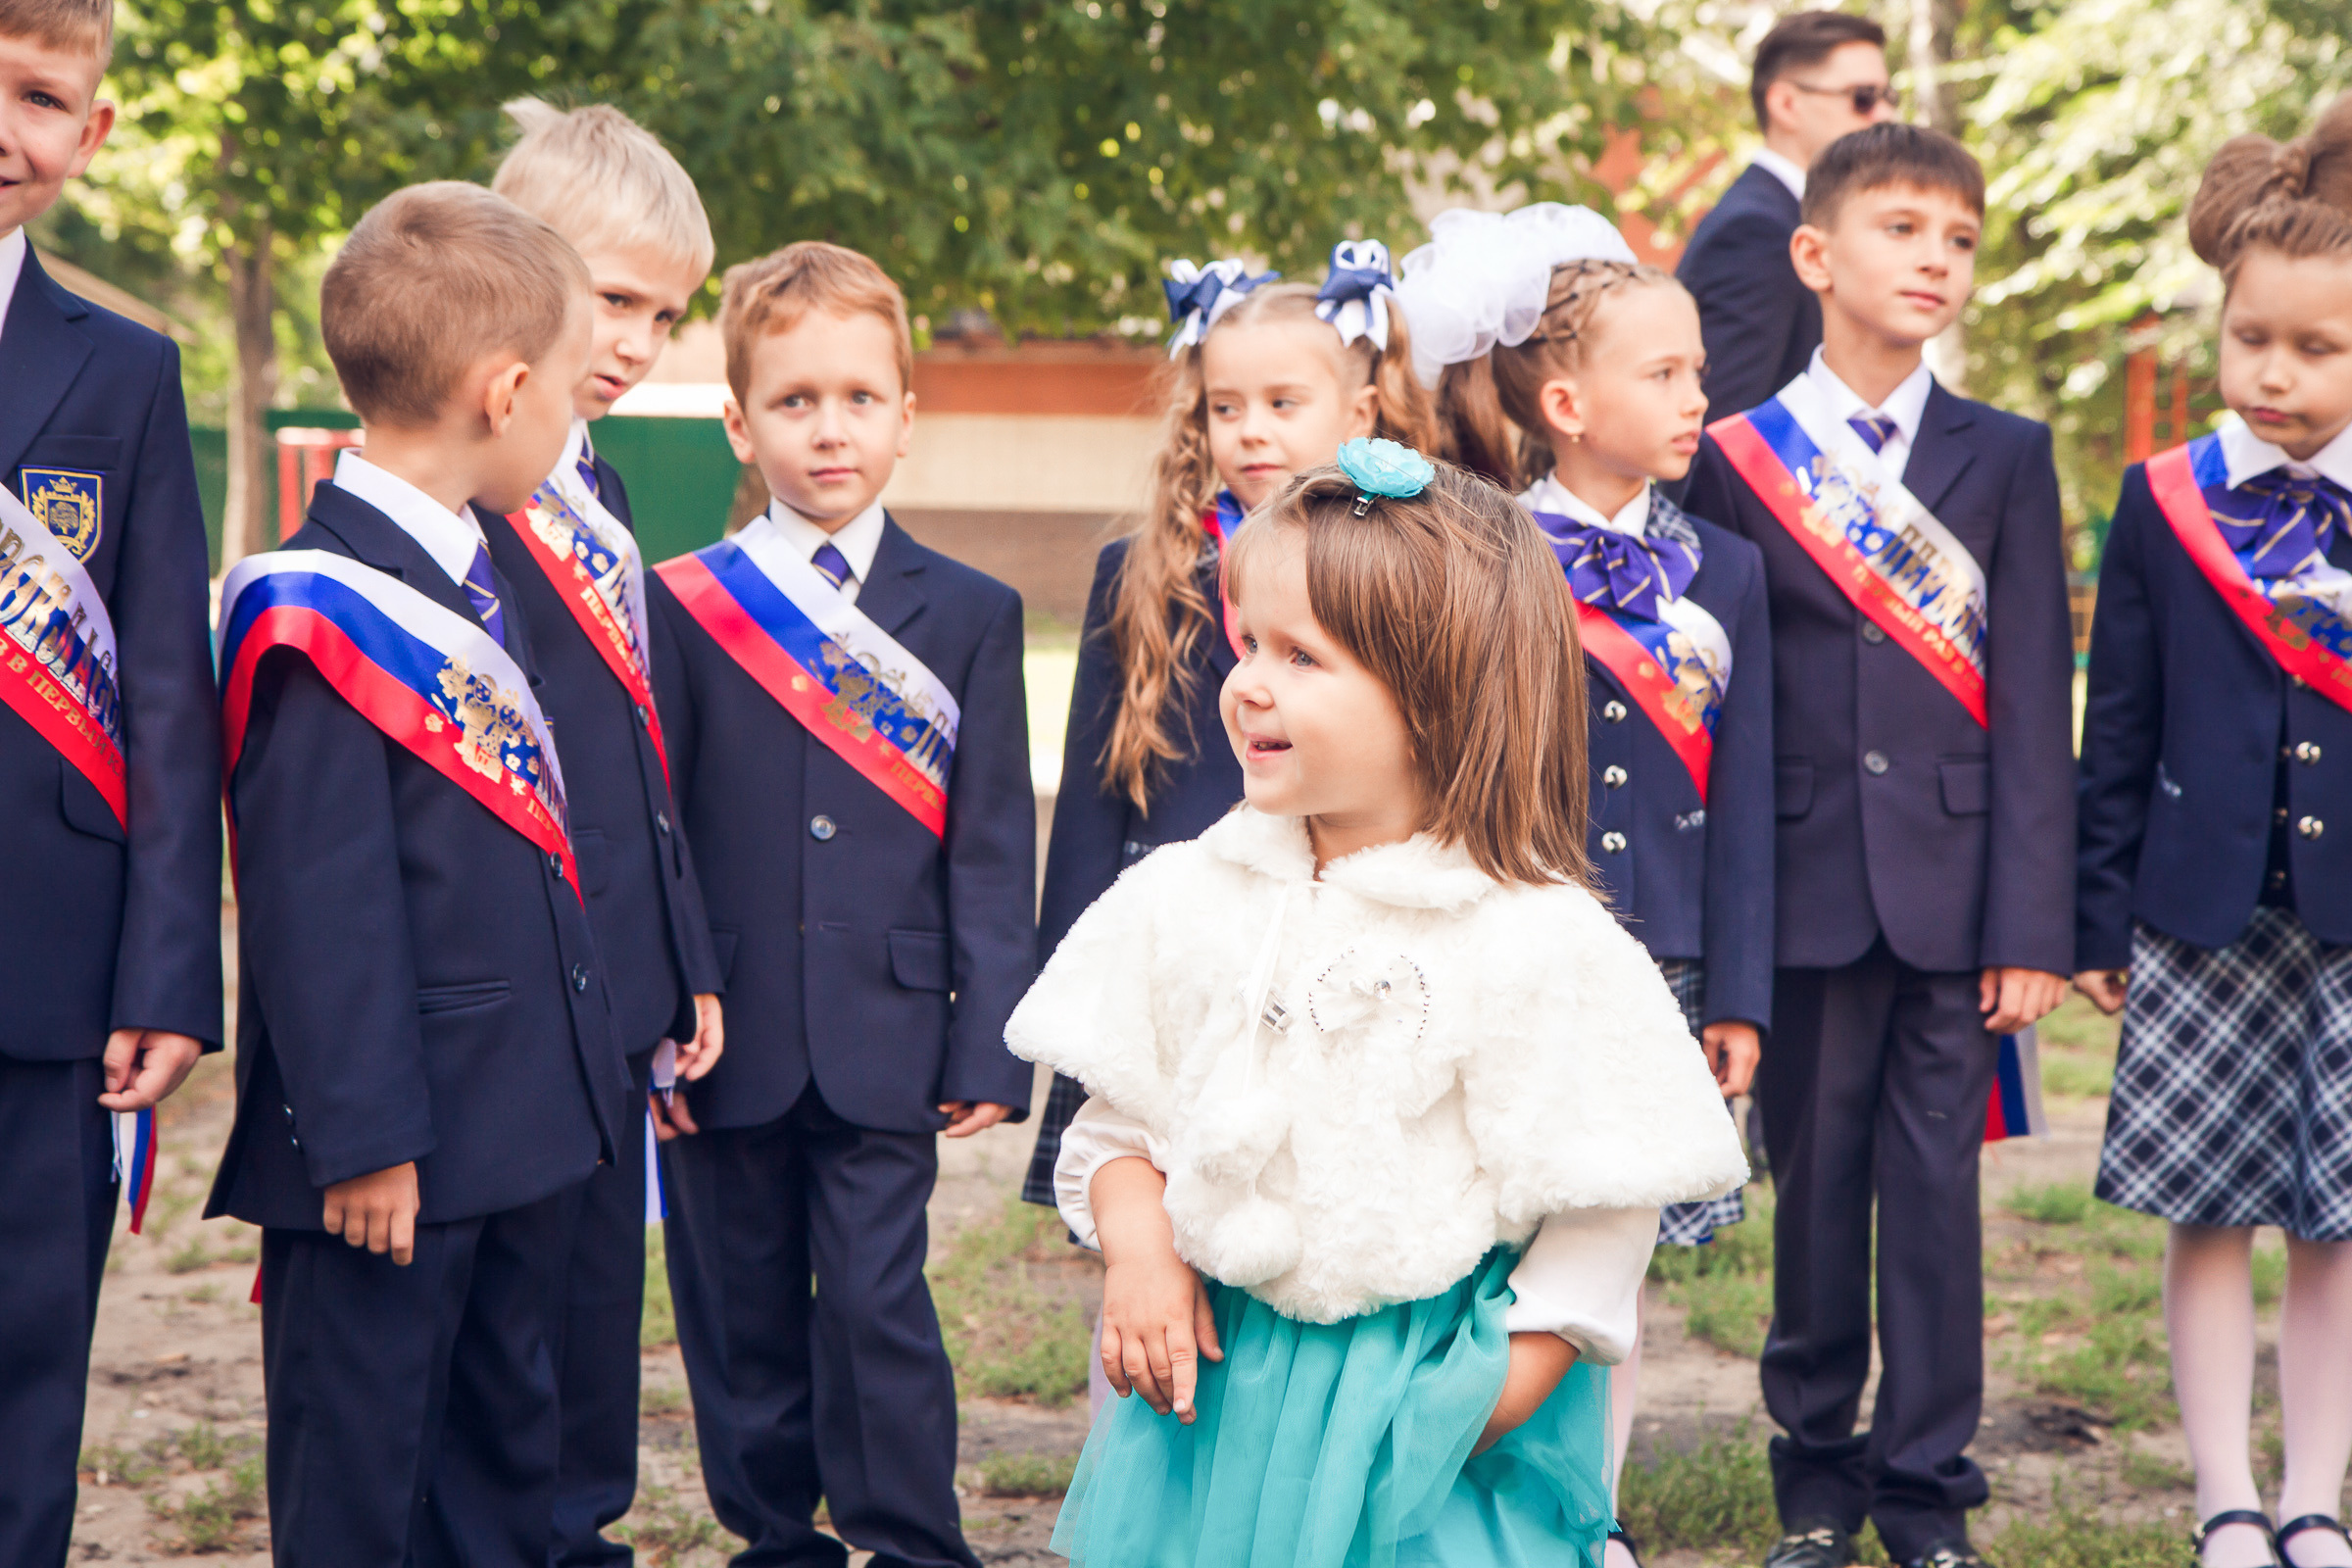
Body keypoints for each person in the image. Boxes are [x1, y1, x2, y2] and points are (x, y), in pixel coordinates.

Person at [1007, 442, 1751, 1567]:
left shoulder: (1532, 937)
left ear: (1439, 694)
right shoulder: (1189, 896)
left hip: (1429, 1417)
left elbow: (1606, 1205)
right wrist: (1140, 1252)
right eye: (1249, 640)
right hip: (1216, 1399)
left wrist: (1489, 1390)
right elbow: (1116, 1124)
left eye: (1303, 656)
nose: (1248, 680)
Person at [207, 182, 627, 1568]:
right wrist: (367, 1134)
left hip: (519, 1132)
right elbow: (319, 901)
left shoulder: (488, 573)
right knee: (366, 1486)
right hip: (388, 1158)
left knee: (501, 1476)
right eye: (571, 384)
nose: (580, 412)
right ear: (505, 393)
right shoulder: (316, 602)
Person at [1683, 123, 2076, 1568]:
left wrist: (2036, 925)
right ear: (1815, 255)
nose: (1934, 260)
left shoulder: (2006, 457)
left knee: (1933, 1196)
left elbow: (2038, 697)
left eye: (1959, 240)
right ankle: (1816, 1479)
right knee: (1816, 1190)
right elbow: (1716, 701)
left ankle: (1927, 1489)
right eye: (1903, 230)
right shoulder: (1733, 463)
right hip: (1799, 890)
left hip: (1959, 897)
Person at [647, 240, 1035, 1568]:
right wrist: (657, 1012)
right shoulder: (678, 608)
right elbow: (662, 837)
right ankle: (775, 1541)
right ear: (739, 423)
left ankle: (915, 1542)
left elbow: (990, 843)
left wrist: (988, 1035)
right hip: (723, 1030)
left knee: (878, 1307)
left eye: (860, 399)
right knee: (737, 1310)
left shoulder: (972, 612)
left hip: (891, 1028)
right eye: (796, 400)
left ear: (908, 418)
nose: (830, 430)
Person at [1408, 206, 1775, 1568]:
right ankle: (1468, 1505)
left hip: (1668, 968)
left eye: (1696, 369)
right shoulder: (1476, 555)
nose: (1698, 394)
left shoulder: (1726, 571)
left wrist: (1737, 989)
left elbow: (1746, 801)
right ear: (1567, 403)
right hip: (1509, 963)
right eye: (1666, 373)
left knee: (1612, 1259)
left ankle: (1591, 1516)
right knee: (1500, 1244)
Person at [1020, 243, 1438, 1237]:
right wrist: (1065, 970)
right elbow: (1092, 798)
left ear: (1360, 413)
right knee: (1149, 1209)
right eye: (1225, 406)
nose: (1250, 430)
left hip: (1343, 936)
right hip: (1179, 943)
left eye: (1283, 403)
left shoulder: (1411, 565)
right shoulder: (1141, 567)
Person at [2074, 94, 2352, 1568]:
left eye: (2317, 350)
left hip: (2351, 921)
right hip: (2197, 915)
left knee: (2337, 1227)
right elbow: (2115, 729)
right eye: (2254, 340)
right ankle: (2223, 1498)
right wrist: (2092, 914)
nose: (2276, 373)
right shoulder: (2164, 501)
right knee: (2208, 1211)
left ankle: (2314, 1495)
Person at [486, 98, 727, 1568]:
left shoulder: (611, 494)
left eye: (667, 312)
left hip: (615, 987)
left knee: (593, 1314)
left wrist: (681, 954)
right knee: (514, 1326)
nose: (637, 339)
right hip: (515, 995)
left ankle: (581, 1530)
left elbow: (644, 759)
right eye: (616, 296)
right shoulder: (475, 501)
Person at [0, 1, 222, 1561]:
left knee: (23, 1343)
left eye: (36, 94)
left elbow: (163, 690)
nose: (3, 123)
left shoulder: (128, 372)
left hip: (47, 963)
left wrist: (165, 971)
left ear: (92, 131)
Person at [1676, 10, 1895, 431]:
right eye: (1864, 98)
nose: (1883, 115)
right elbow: (1723, 426)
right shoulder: (1754, 232)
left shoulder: (1791, 217)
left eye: (1890, 97)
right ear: (1786, 104)